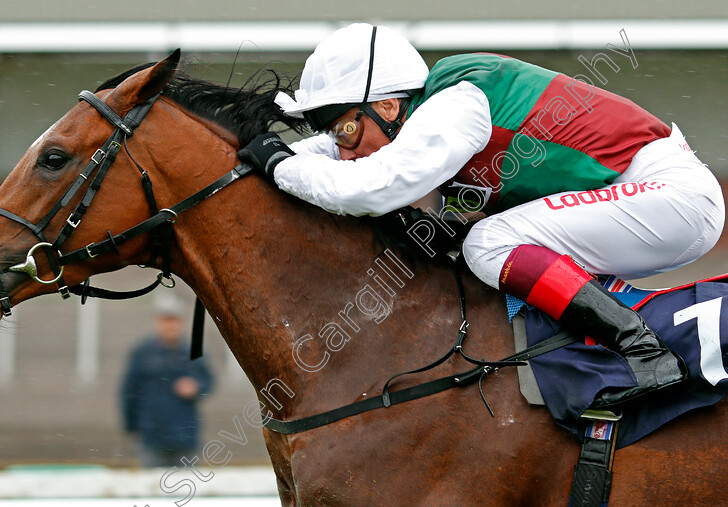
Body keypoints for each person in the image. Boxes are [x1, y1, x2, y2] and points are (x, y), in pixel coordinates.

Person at [237, 23, 725, 409]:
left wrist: (280, 165)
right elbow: (349, 158)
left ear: (388, 104)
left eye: (344, 132)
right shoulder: (412, 118)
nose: (343, 153)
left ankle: (645, 353)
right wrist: (278, 156)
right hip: (645, 202)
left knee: (487, 243)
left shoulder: (457, 103)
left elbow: (371, 187)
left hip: (669, 196)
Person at [120, 294, 213, 467]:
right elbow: (129, 391)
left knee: (185, 487)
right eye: (165, 320)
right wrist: (131, 427)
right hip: (151, 436)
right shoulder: (142, 352)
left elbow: (208, 380)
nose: (170, 325)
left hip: (185, 435)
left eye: (174, 320)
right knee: (152, 487)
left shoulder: (193, 350)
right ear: (157, 321)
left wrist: (196, 387)